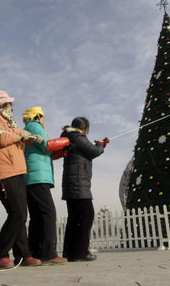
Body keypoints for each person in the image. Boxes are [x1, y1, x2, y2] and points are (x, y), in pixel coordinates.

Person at [0, 90, 42, 269]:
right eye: (9, 104)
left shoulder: (4, 120)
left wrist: (28, 138)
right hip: (3, 171)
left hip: (14, 169)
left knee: (19, 214)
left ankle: (23, 255)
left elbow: (12, 133)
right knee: (18, 213)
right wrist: (21, 135)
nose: (11, 108)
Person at [22, 107, 67, 265]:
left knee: (37, 216)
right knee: (48, 213)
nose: (44, 120)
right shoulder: (34, 125)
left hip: (32, 176)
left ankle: (36, 251)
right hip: (38, 175)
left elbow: (45, 151)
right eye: (43, 117)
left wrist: (62, 151)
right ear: (38, 116)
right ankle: (48, 253)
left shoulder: (29, 128)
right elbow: (46, 145)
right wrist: (67, 141)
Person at [60, 117, 108, 261]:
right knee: (87, 215)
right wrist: (101, 146)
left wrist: (98, 146)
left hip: (72, 184)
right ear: (85, 129)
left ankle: (70, 253)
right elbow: (93, 151)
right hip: (78, 184)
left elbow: (88, 151)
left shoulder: (70, 137)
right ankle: (81, 252)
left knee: (74, 219)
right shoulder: (78, 137)